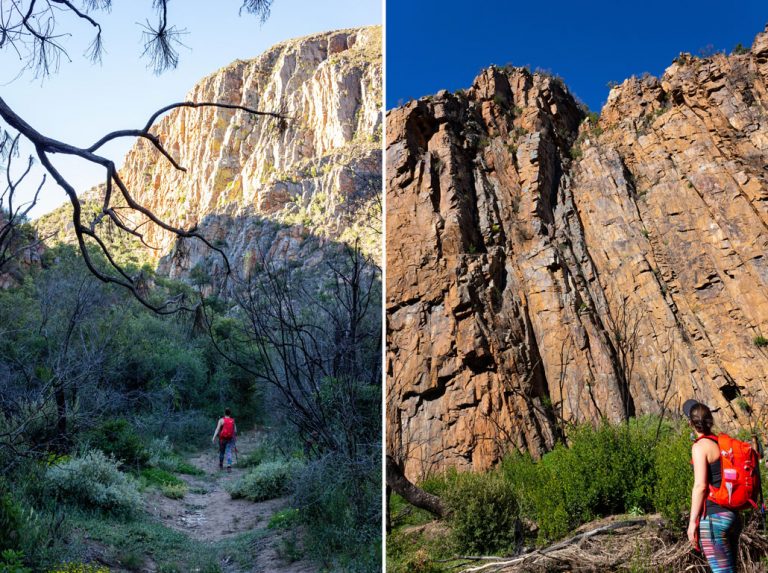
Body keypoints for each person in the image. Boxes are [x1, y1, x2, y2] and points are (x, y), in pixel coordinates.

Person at [684, 399, 741, 573]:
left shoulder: (700, 447)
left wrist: (692, 522)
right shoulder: (720, 444)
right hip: (732, 517)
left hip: (714, 519)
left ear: (690, 423)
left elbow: (700, 485)